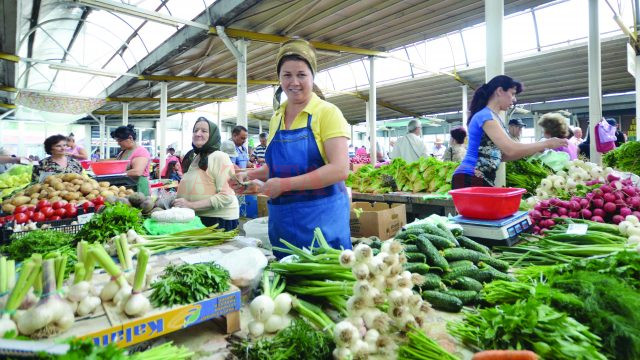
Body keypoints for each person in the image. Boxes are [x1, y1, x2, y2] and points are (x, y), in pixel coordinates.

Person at [229, 39, 351, 258]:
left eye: (301, 74)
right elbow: (279, 166)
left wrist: (284, 185)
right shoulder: (276, 117)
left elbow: (340, 169)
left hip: (321, 223)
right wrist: (249, 176)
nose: (294, 82)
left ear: (312, 76)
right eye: (287, 75)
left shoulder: (327, 113)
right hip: (283, 223)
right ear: (279, 78)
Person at [453, 75, 567, 188]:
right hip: (470, 176)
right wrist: (546, 143)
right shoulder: (485, 116)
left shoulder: (494, 118)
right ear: (499, 91)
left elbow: (502, 155)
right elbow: (511, 149)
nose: (514, 99)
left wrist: (535, 148)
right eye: (512, 93)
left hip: (478, 177)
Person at [174, 117, 239, 231]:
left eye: (204, 131)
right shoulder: (195, 157)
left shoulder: (220, 157)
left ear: (213, 135)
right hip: (199, 218)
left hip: (218, 221)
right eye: (195, 130)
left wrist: (190, 205)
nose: (198, 134)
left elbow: (226, 196)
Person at [110, 125, 151, 195]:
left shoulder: (141, 152)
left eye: (120, 140)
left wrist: (116, 174)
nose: (118, 143)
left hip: (138, 188)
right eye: (117, 140)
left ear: (130, 138)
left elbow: (137, 172)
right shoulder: (123, 151)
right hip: (126, 188)